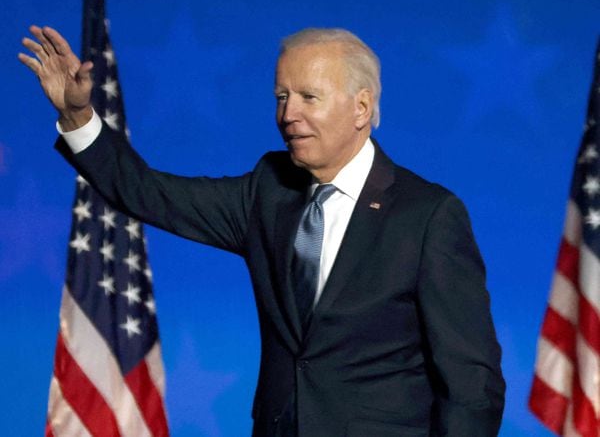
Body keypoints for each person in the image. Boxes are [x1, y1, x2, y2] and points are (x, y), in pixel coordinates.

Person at [20, 25, 505, 436]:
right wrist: (78, 116)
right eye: (281, 96)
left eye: (308, 97)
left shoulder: (428, 216)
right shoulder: (267, 191)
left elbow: (471, 383)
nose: (288, 114)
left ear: (361, 107)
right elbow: (147, 192)